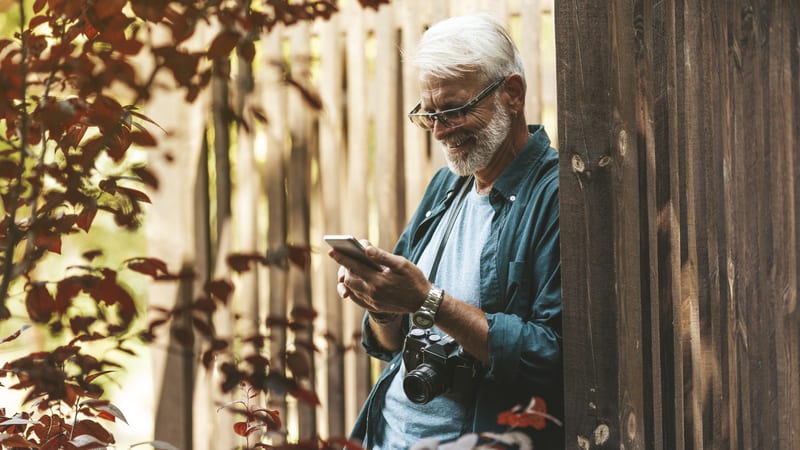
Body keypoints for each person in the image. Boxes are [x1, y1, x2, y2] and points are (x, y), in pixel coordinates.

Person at [328, 13, 563, 449]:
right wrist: (381, 304)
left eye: (453, 110)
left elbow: (550, 355)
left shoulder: (556, 193)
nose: (438, 131)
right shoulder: (447, 186)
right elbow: (389, 344)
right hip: (385, 436)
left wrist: (428, 301)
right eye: (428, 114)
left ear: (512, 94)